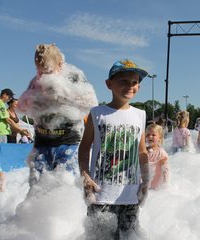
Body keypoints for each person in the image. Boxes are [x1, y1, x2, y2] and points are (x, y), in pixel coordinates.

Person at [78, 59, 150, 239]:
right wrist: (85, 176)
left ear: (139, 87)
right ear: (109, 84)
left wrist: (146, 182)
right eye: (123, 81)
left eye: (135, 82)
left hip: (130, 195)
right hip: (101, 195)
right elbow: (84, 148)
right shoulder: (97, 113)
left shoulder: (140, 115)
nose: (130, 86)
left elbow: (142, 151)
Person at [18, 43, 98, 186]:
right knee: (36, 186)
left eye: (47, 71)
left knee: (66, 185)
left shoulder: (74, 77)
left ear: (60, 64)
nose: (42, 76)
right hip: (41, 143)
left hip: (68, 143)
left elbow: (92, 103)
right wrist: (36, 102)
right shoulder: (35, 82)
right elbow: (22, 108)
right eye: (39, 71)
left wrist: (63, 94)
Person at [146, 123, 169, 189]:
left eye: (153, 135)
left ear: (160, 138)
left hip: (155, 187)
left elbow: (165, 171)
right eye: (148, 135)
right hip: (144, 186)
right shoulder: (144, 151)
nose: (150, 136)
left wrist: (165, 184)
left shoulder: (162, 153)